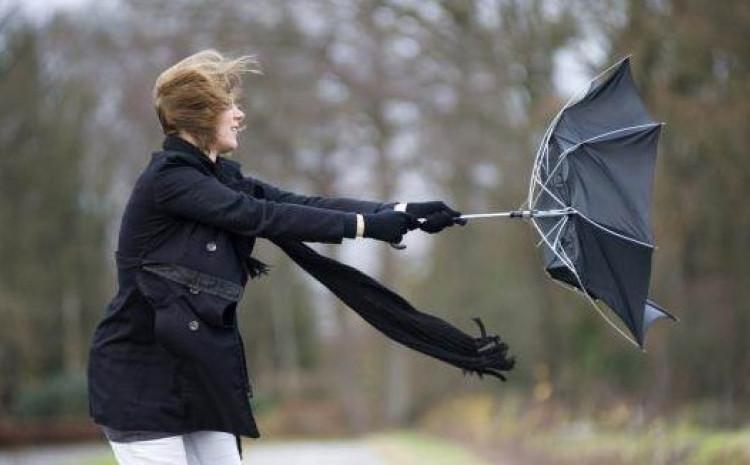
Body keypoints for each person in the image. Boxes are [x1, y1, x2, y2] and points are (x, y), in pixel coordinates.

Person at [86, 49, 465, 465]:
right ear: (200, 113)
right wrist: (366, 226)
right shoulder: (169, 181)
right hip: (140, 379)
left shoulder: (220, 177)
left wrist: (399, 211)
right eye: (228, 105)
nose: (238, 115)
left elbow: (294, 202)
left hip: (198, 376)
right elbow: (259, 216)